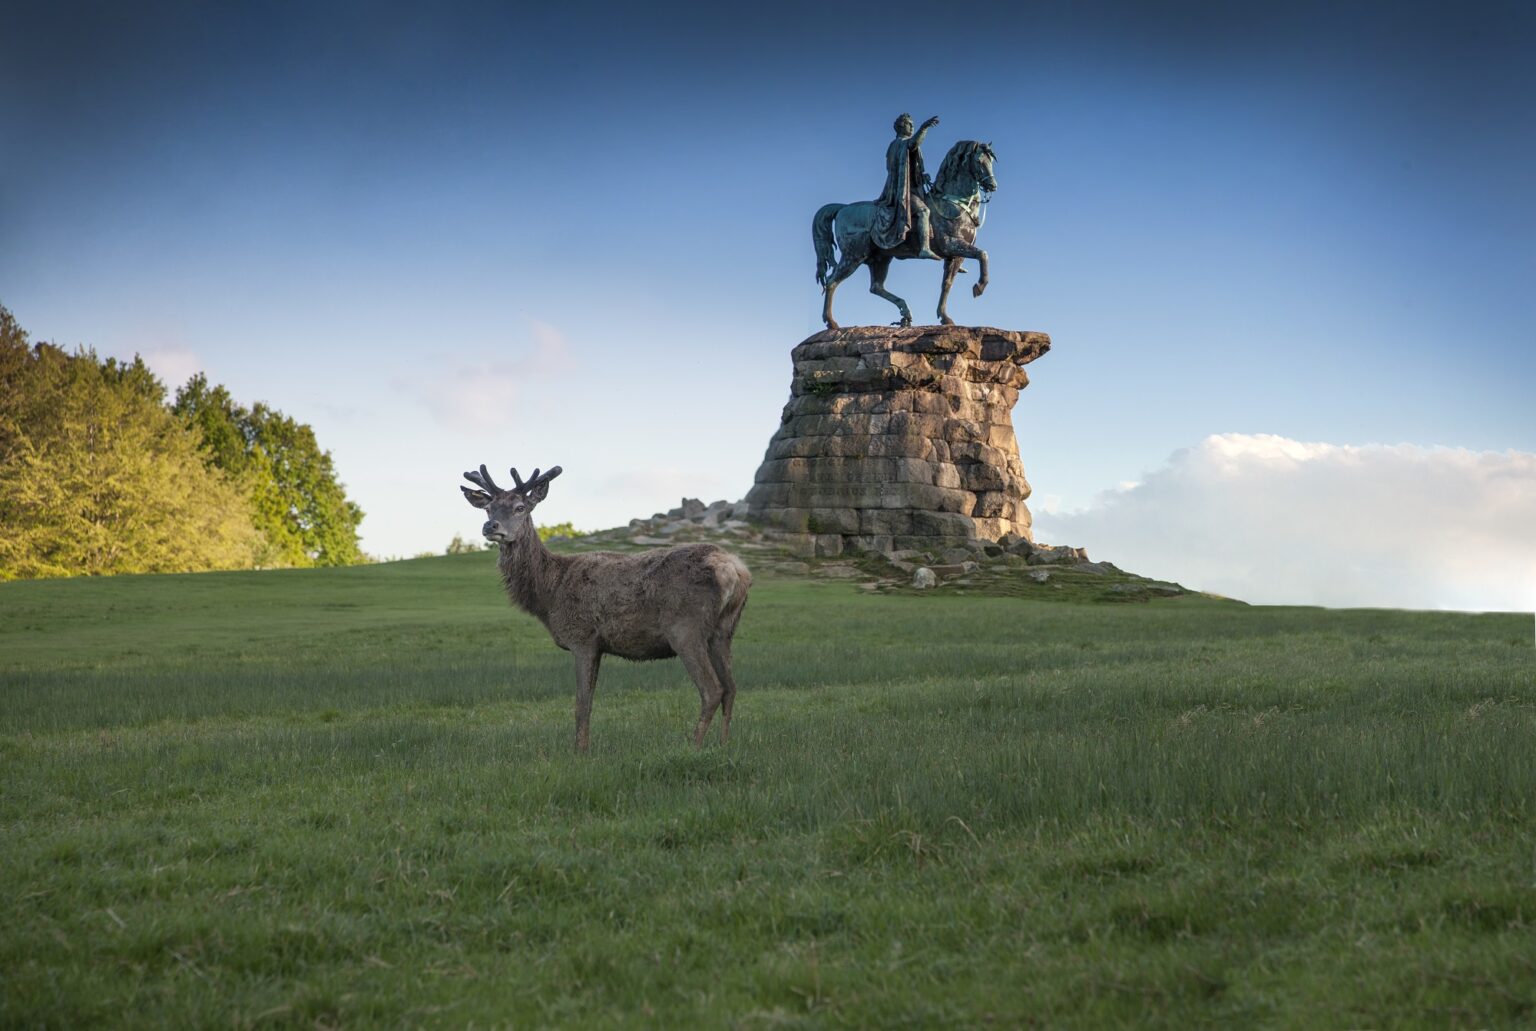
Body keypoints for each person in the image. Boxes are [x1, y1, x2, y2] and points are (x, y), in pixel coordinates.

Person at [874, 113, 941, 259]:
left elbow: (908, 168)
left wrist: (921, 177)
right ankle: (924, 248)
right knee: (924, 211)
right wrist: (924, 128)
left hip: (914, 188)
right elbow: (913, 143)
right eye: (908, 124)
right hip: (903, 192)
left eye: (913, 124)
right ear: (900, 126)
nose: (912, 126)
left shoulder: (903, 144)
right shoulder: (898, 143)